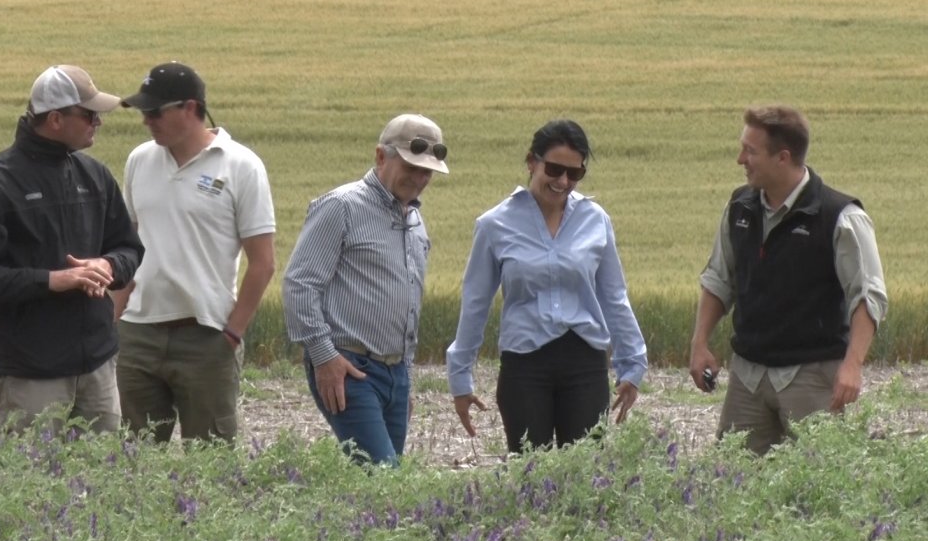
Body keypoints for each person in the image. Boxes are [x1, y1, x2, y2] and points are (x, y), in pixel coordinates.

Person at [0, 65, 144, 434]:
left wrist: (108, 265)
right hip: (31, 372)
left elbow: (129, 248)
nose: (98, 122)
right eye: (89, 114)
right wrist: (52, 281)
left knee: (103, 481)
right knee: (27, 483)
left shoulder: (95, 175)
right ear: (55, 119)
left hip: (98, 366)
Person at [689, 105, 888, 455]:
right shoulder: (739, 208)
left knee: (821, 489)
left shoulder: (841, 217)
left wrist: (852, 366)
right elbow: (720, 279)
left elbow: (867, 297)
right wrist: (699, 341)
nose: (740, 159)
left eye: (750, 151)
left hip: (812, 377)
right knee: (731, 485)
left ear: (783, 157)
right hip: (747, 377)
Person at [446, 119, 647, 453]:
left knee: (583, 475)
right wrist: (460, 379)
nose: (563, 181)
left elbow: (614, 296)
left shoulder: (596, 220)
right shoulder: (495, 224)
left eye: (575, 174)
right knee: (529, 473)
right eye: (554, 169)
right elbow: (475, 303)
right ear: (531, 162)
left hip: (585, 362)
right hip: (525, 366)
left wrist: (632, 363)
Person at [113, 62, 276, 443]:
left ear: (190, 108)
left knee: (211, 462)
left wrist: (232, 334)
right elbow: (128, 247)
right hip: (138, 333)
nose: (146, 122)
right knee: (133, 461)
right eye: (143, 113)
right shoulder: (139, 160)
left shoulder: (242, 166)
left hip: (206, 335)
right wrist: (114, 317)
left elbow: (263, 263)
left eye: (154, 112)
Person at [282, 113, 449, 465]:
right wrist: (324, 357)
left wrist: (403, 380)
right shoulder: (341, 207)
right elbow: (299, 283)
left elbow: (409, 307)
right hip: (350, 366)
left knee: (383, 487)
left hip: (396, 373)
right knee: (383, 476)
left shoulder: (415, 222)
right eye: (411, 167)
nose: (419, 178)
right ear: (380, 156)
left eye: (427, 172)